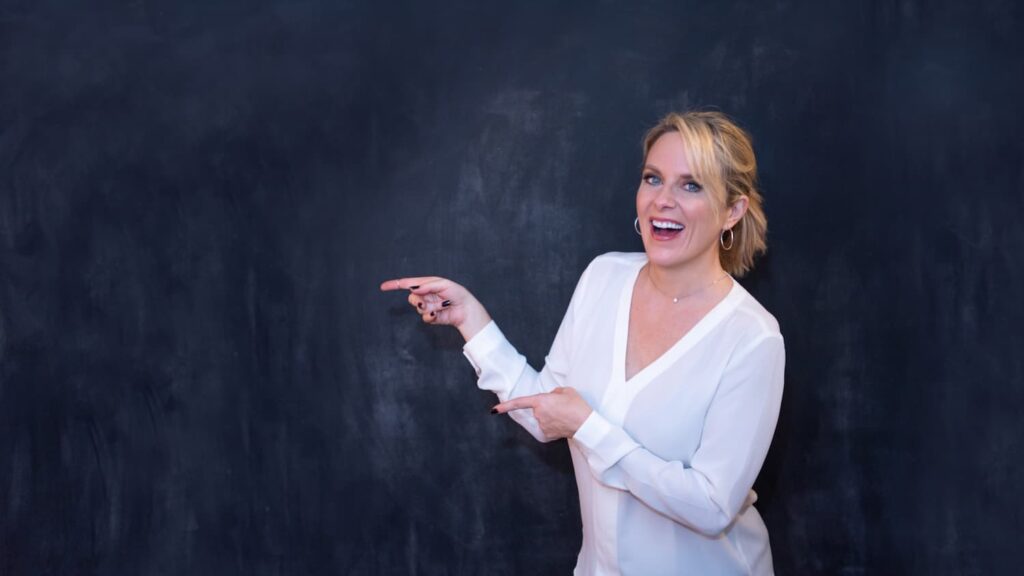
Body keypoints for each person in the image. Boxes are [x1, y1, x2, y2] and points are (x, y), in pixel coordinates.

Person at [380, 111, 785, 575]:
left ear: (732, 210)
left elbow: (711, 506)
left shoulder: (753, 339)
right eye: (653, 179)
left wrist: (589, 427)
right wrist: (471, 319)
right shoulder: (603, 278)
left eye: (691, 185)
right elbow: (546, 415)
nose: (662, 201)